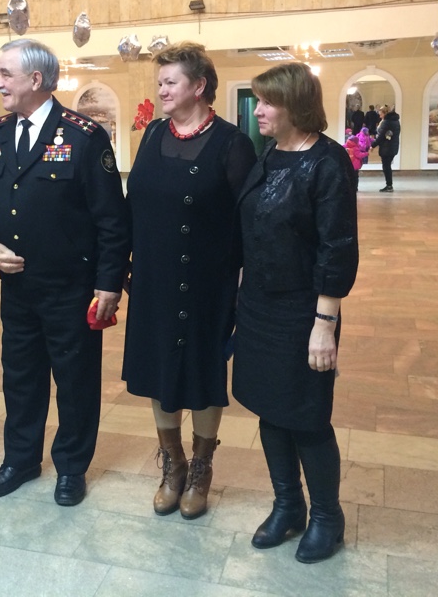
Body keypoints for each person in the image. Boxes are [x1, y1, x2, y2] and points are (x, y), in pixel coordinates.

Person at [0, 39, 130, 507]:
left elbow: (112, 220)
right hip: (17, 288)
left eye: (5, 74)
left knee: (75, 382)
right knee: (20, 377)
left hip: (71, 288)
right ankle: (20, 460)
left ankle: (71, 467)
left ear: (35, 79)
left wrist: (108, 284)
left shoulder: (83, 136)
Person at [121, 42, 256, 519]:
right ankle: (172, 464)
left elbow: (247, 221)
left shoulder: (232, 143)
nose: (161, 90)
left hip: (207, 282)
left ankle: (201, 467)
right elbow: (133, 203)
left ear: (199, 86)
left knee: (202, 370)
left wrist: (245, 286)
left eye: (170, 82)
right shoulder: (153, 134)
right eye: (159, 82)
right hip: (154, 277)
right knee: (160, 369)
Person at [233, 62, 358, 564]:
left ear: (296, 106)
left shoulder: (327, 163)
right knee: (270, 407)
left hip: (303, 311)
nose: (258, 110)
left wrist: (324, 325)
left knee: (306, 415)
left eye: (268, 102)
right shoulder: (272, 153)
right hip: (259, 305)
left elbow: (337, 248)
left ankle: (327, 516)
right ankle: (288, 504)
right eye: (259, 100)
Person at [372, 109, 401, 192]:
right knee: (387, 166)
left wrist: (373, 145)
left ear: (385, 114)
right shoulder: (396, 121)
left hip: (386, 148)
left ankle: (389, 185)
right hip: (393, 147)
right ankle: (389, 185)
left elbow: (381, 136)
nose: (379, 116)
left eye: (381, 114)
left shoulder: (386, 122)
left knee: (386, 167)